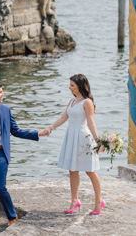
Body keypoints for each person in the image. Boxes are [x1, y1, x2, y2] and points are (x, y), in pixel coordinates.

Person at [0, 82, 49, 236]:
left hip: (0, 155)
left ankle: (12, 216)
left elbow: (16, 131)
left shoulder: (6, 110)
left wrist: (37, 134)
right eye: (0, 92)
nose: (3, 94)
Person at [41, 74, 105, 215]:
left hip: (83, 138)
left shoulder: (87, 102)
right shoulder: (72, 101)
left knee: (90, 170)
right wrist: (50, 128)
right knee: (72, 170)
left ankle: (99, 201)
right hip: (71, 136)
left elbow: (90, 122)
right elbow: (64, 117)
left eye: (72, 85)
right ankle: (74, 200)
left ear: (79, 86)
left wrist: (98, 140)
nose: (69, 87)